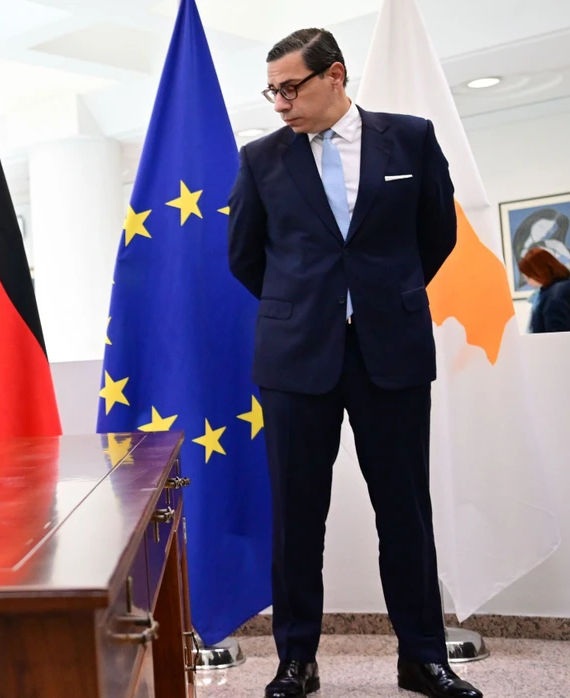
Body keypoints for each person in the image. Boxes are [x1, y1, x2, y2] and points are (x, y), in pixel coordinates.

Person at [227, 28, 482, 698]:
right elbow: (245, 256)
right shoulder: (260, 160)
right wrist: (309, 306)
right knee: (296, 516)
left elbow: (437, 233)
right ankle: (295, 660)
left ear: (334, 75)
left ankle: (423, 657)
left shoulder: (412, 139)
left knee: (405, 512)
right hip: (294, 359)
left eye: (291, 87)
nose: (279, 102)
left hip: (389, 351)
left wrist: (380, 298)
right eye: (271, 90)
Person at [519, 246, 570, 333]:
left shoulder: (555, 295)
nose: (528, 283)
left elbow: (556, 334)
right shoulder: (558, 289)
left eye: (528, 277)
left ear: (539, 272)